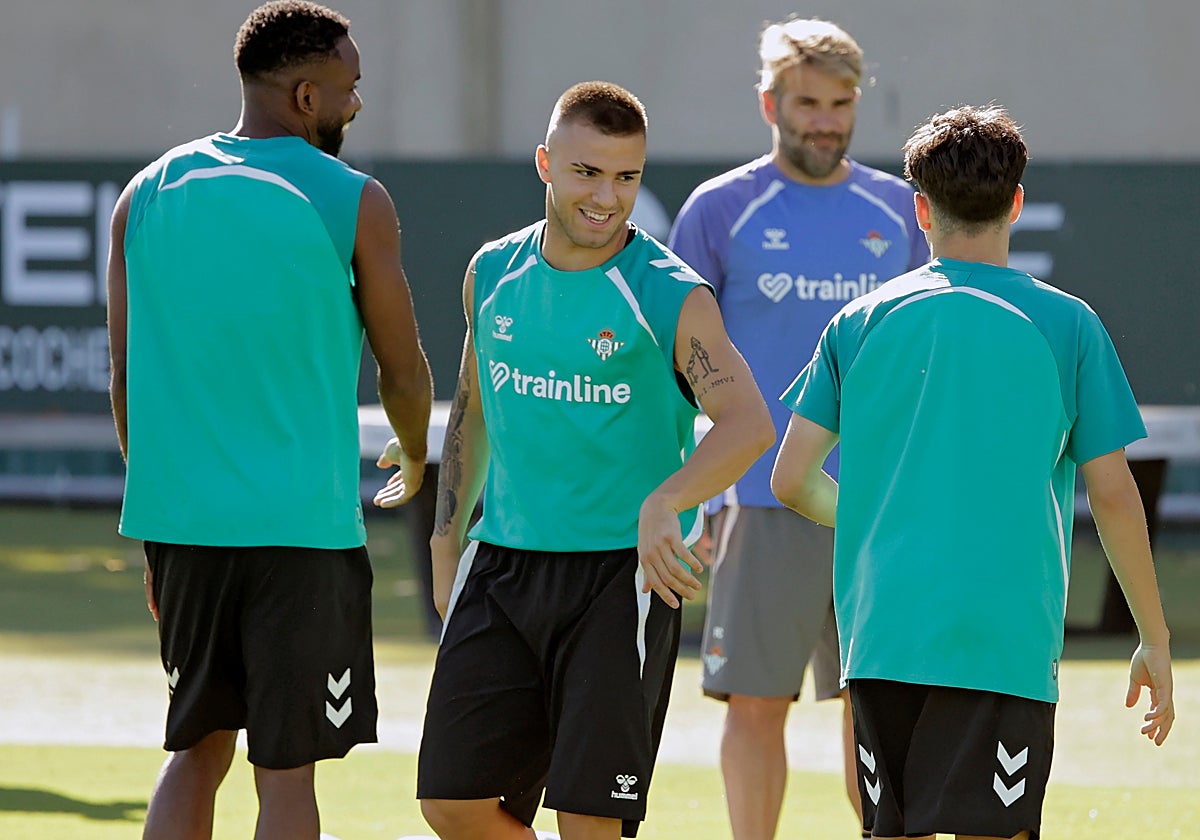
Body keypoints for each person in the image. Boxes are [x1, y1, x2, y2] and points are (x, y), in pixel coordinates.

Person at [771, 104, 1174, 840]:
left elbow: (791, 479)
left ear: (919, 209)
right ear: (1016, 202)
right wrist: (1154, 636)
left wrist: (877, 512)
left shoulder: (856, 324)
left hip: (881, 637)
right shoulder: (1069, 325)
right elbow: (1114, 496)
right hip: (1002, 642)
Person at [106, 2, 433, 838]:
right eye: (348, 88)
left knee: (195, 751)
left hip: (183, 533)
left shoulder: (144, 195)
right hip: (301, 536)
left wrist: (157, 530)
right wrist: (415, 450)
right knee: (286, 775)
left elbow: (125, 380)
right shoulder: (355, 199)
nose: (356, 103)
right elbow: (402, 368)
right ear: (303, 96)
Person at [417, 81, 775, 840]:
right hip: (504, 568)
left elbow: (746, 425)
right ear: (546, 164)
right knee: (451, 802)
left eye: (626, 177)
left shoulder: (673, 294)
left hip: (623, 580)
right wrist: (446, 540)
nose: (607, 197)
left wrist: (664, 503)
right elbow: (474, 408)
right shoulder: (491, 272)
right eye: (586, 172)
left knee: (589, 822)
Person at [666, 17, 928, 838]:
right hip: (758, 502)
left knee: (877, 707)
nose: (825, 119)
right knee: (754, 704)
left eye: (841, 103)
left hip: (874, 507)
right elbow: (676, 370)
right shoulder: (720, 209)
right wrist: (692, 497)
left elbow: (925, 361)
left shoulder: (900, 208)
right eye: (808, 102)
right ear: (769, 102)